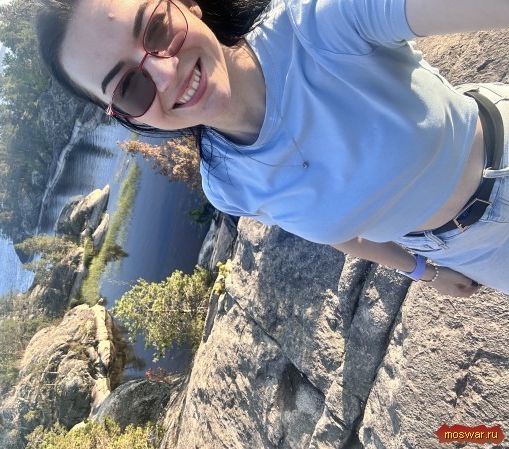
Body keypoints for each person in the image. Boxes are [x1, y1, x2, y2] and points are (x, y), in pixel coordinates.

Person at [36, 0, 509, 297]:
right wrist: (424, 271)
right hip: (464, 252)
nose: (165, 73)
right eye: (129, 87)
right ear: (126, 116)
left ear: (188, 5)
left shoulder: (317, 23)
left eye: (156, 29)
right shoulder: (226, 185)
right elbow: (339, 234)